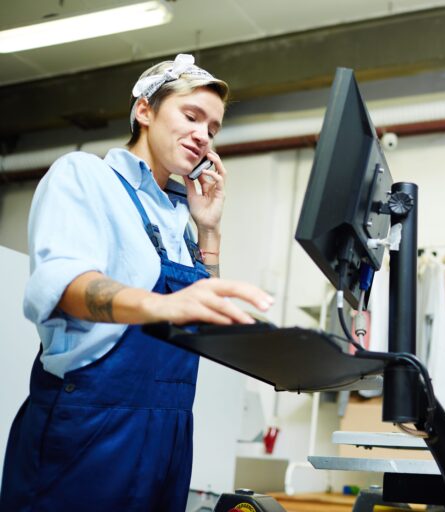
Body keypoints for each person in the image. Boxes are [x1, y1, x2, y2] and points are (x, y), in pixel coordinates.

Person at [0, 54, 272, 511]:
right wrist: (160, 306)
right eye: (191, 116)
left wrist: (208, 230)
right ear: (145, 111)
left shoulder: (178, 217)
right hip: (90, 428)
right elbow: (65, 286)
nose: (203, 135)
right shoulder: (85, 176)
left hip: (169, 433)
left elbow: (200, 325)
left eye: (214, 128)